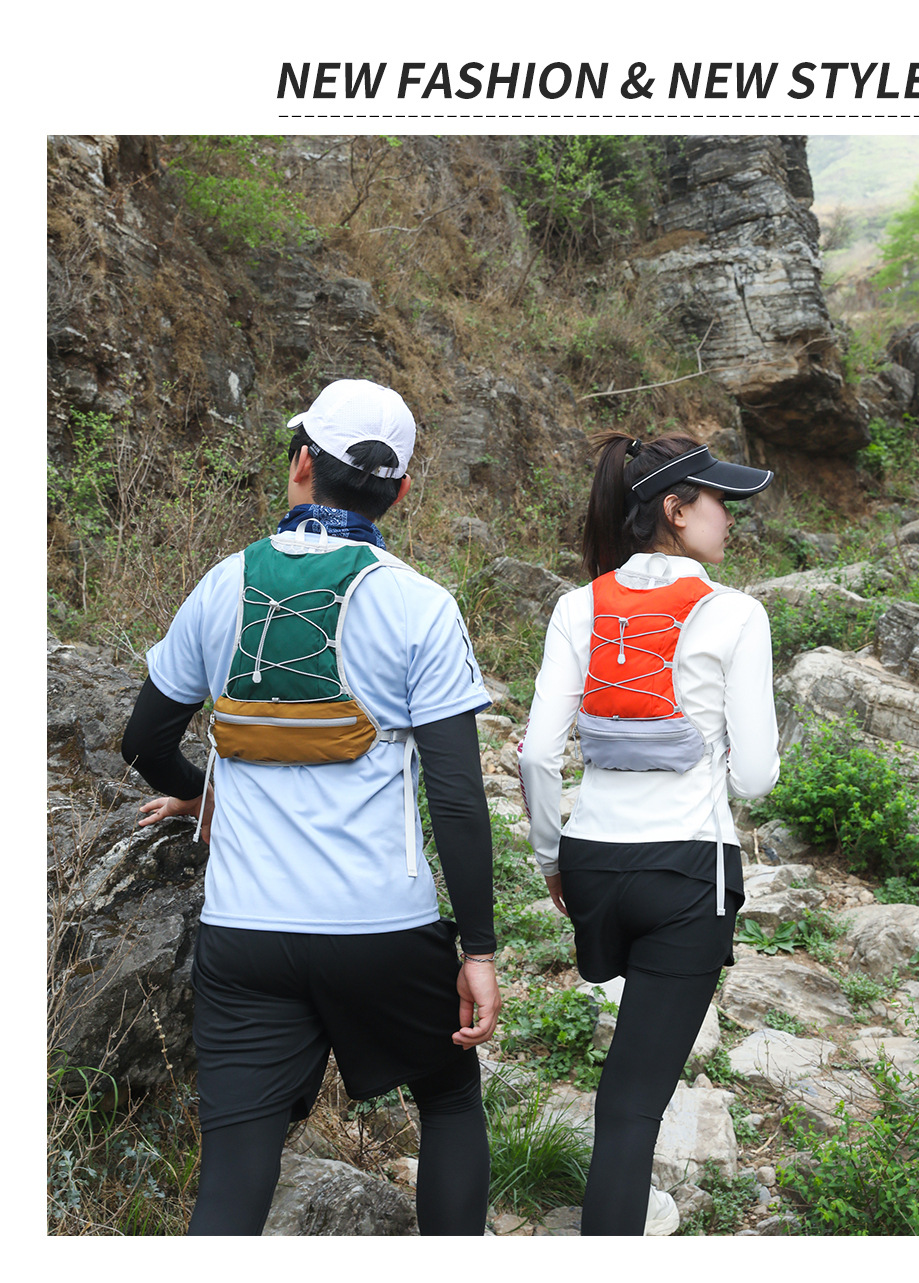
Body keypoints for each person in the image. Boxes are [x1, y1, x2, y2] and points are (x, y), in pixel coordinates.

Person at [121, 379, 501, 1236]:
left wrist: (202, 790)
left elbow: (143, 740)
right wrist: (477, 949)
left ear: (301, 463)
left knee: (235, 1165)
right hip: (383, 929)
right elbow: (456, 796)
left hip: (246, 931)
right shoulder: (420, 604)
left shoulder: (222, 585)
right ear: (400, 491)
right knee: (447, 1096)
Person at [518, 431, 780, 1236]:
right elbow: (754, 779)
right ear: (675, 509)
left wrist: (552, 858)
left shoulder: (579, 605)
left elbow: (537, 754)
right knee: (632, 1102)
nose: (730, 517)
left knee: (629, 1076)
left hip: (593, 865)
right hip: (687, 874)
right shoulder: (735, 613)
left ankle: (632, 1205)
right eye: (720, 501)